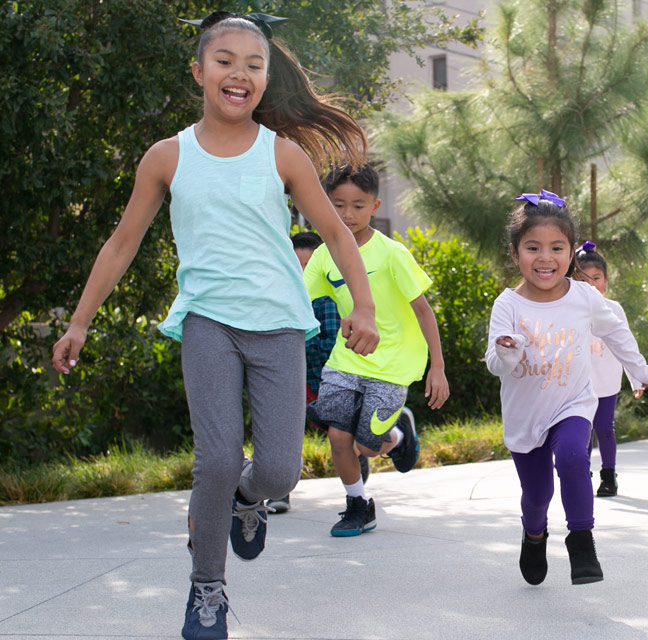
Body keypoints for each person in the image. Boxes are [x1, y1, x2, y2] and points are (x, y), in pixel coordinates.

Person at [50, 13, 379, 640]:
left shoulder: (281, 153)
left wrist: (362, 307)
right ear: (199, 72)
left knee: (279, 470)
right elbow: (122, 244)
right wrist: (80, 323)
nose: (240, 74)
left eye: (255, 65)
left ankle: (247, 502)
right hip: (207, 323)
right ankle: (207, 591)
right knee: (217, 458)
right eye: (225, 61)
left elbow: (336, 232)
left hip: (280, 326)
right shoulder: (167, 157)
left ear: (265, 79)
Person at [485, 190, 648, 586]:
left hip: (572, 403)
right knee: (537, 497)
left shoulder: (584, 296)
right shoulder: (508, 306)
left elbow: (617, 334)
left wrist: (641, 370)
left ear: (570, 255)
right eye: (533, 248)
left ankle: (582, 540)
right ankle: (534, 535)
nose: (545, 258)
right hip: (524, 416)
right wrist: (507, 352)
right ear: (515, 254)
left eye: (556, 248)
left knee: (572, 457)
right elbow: (496, 364)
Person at [303, 164, 449, 538]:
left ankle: (399, 434)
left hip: (393, 364)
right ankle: (358, 505)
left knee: (366, 446)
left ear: (374, 206)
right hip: (347, 358)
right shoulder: (323, 256)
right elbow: (299, 304)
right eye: (338, 206)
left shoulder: (391, 253)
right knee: (338, 437)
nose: (348, 215)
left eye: (358, 205)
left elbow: (423, 311)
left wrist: (437, 368)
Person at [266, 232, 369, 515]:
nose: (302, 275)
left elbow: (329, 344)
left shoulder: (326, 301)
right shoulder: (278, 301)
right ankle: (280, 492)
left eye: (308, 267)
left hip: (325, 380)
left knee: (346, 437)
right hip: (289, 379)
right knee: (282, 434)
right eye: (295, 267)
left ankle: (357, 470)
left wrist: (295, 342)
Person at [575, 241, 644, 497]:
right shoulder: (571, 308)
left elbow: (626, 345)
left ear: (606, 279)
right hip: (578, 384)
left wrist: (637, 379)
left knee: (604, 429)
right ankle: (581, 474)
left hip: (606, 383)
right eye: (584, 279)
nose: (591, 285)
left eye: (596, 278)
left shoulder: (614, 308)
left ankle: (608, 476)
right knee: (581, 431)